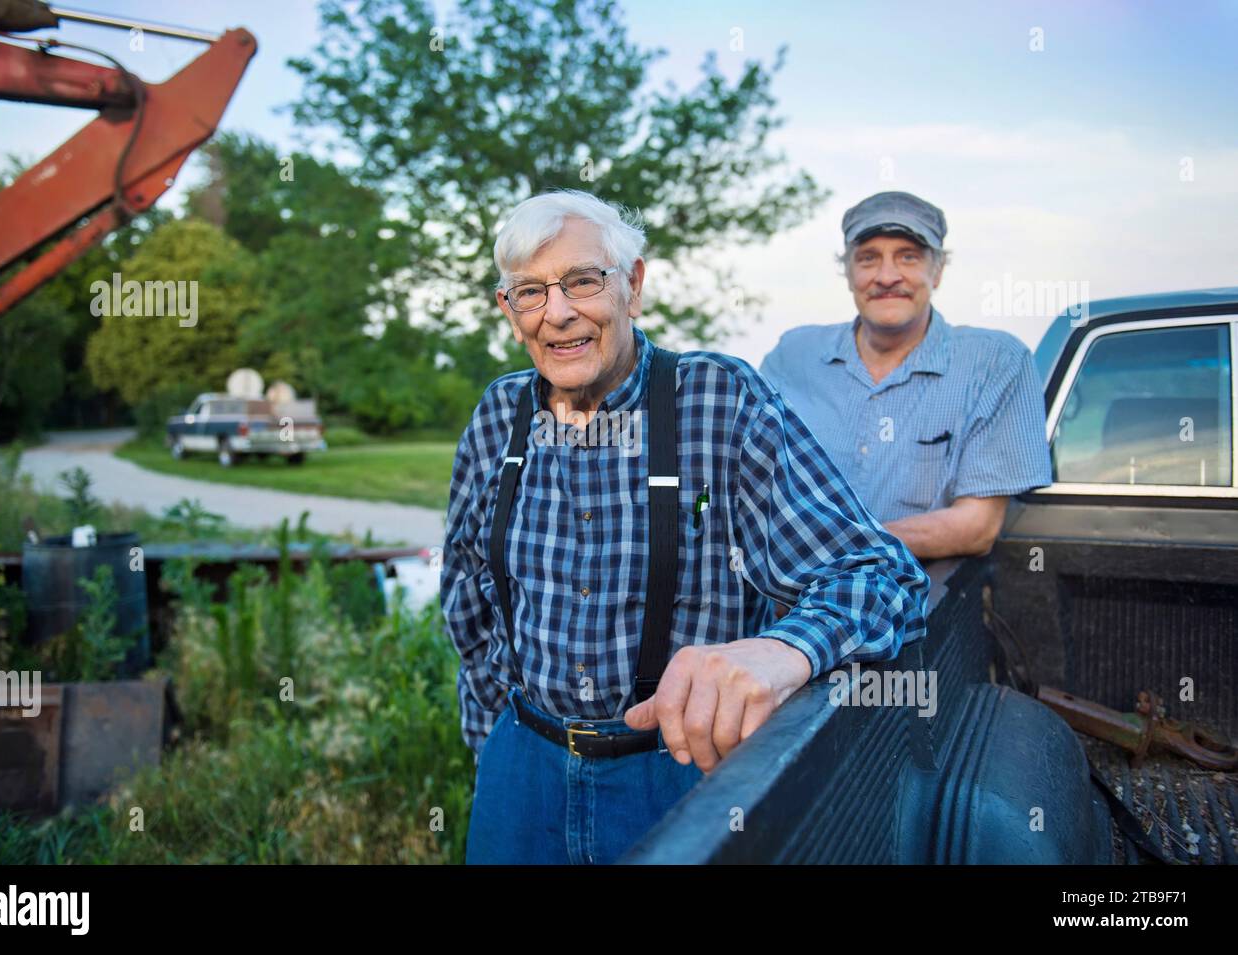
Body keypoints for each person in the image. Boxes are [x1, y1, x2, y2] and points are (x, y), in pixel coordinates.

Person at [442, 189, 929, 865]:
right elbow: (468, 596)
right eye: (530, 292)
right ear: (509, 309)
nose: (557, 313)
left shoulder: (717, 398)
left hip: (677, 768)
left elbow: (882, 576)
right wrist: (494, 747)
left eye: (583, 281)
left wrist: (784, 650)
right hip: (521, 772)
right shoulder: (498, 413)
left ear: (633, 285)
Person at [760, 191, 1052, 561]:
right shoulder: (793, 355)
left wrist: (830, 548)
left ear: (939, 270)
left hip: (919, 608)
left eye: (908, 256)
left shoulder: (995, 362)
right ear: (848, 272)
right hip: (787, 603)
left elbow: (977, 527)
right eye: (868, 258)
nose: (886, 276)